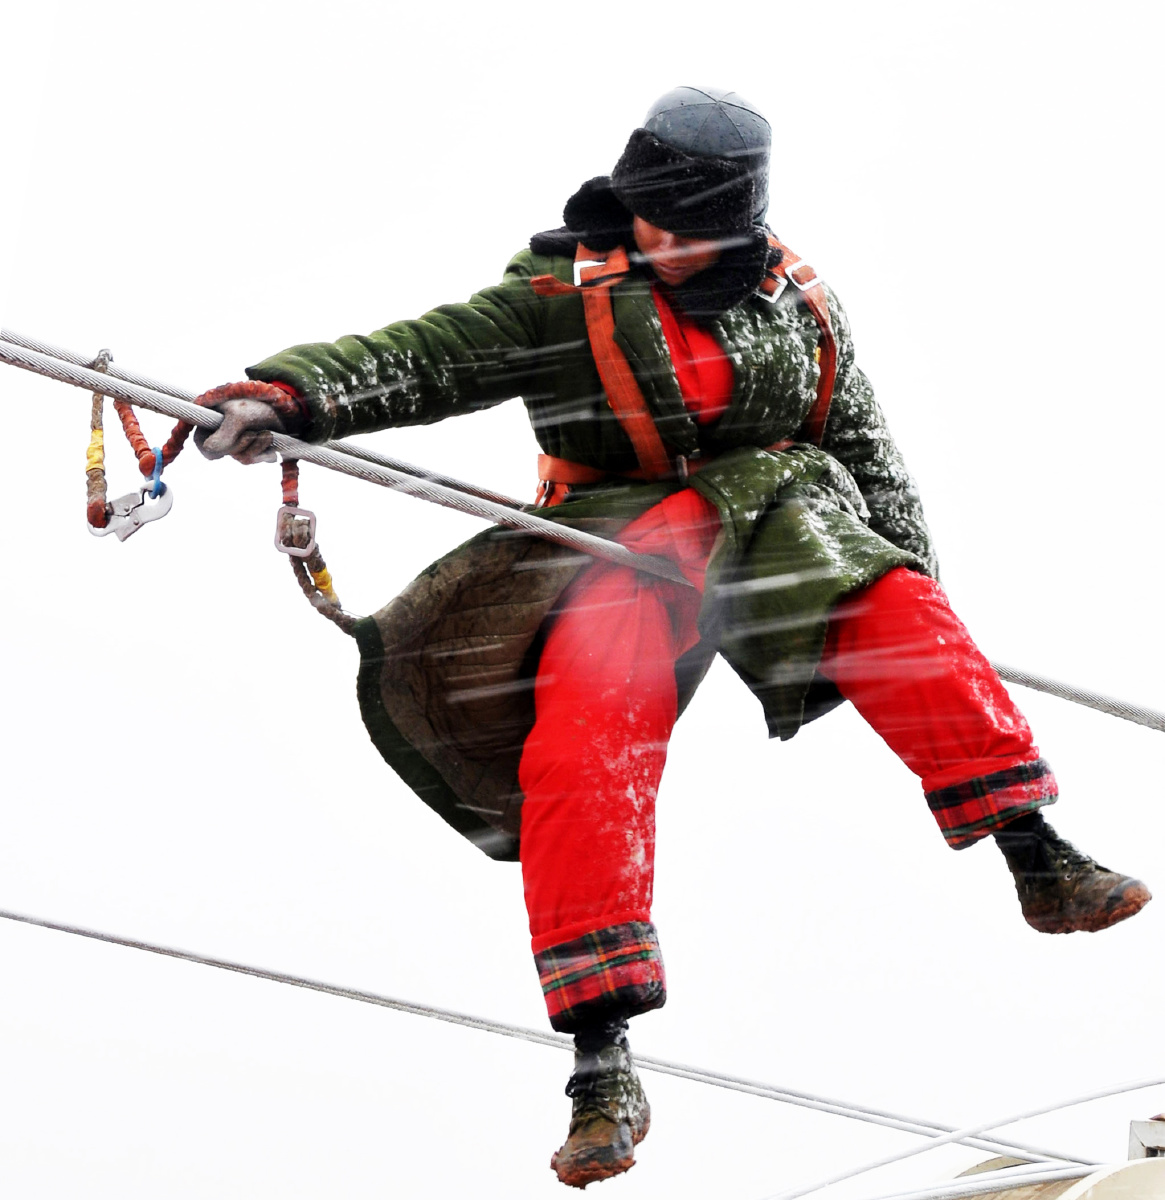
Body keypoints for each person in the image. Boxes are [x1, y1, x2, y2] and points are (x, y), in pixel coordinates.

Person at [195, 87, 1150, 1189]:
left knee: (896, 614)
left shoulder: (797, 301)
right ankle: (601, 1061)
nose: (669, 245)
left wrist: (911, 574)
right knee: (581, 747)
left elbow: (865, 446)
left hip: (784, 516)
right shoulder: (562, 294)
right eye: (654, 222)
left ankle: (1035, 855)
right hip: (625, 546)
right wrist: (290, 396)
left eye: (692, 230)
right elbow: (432, 354)